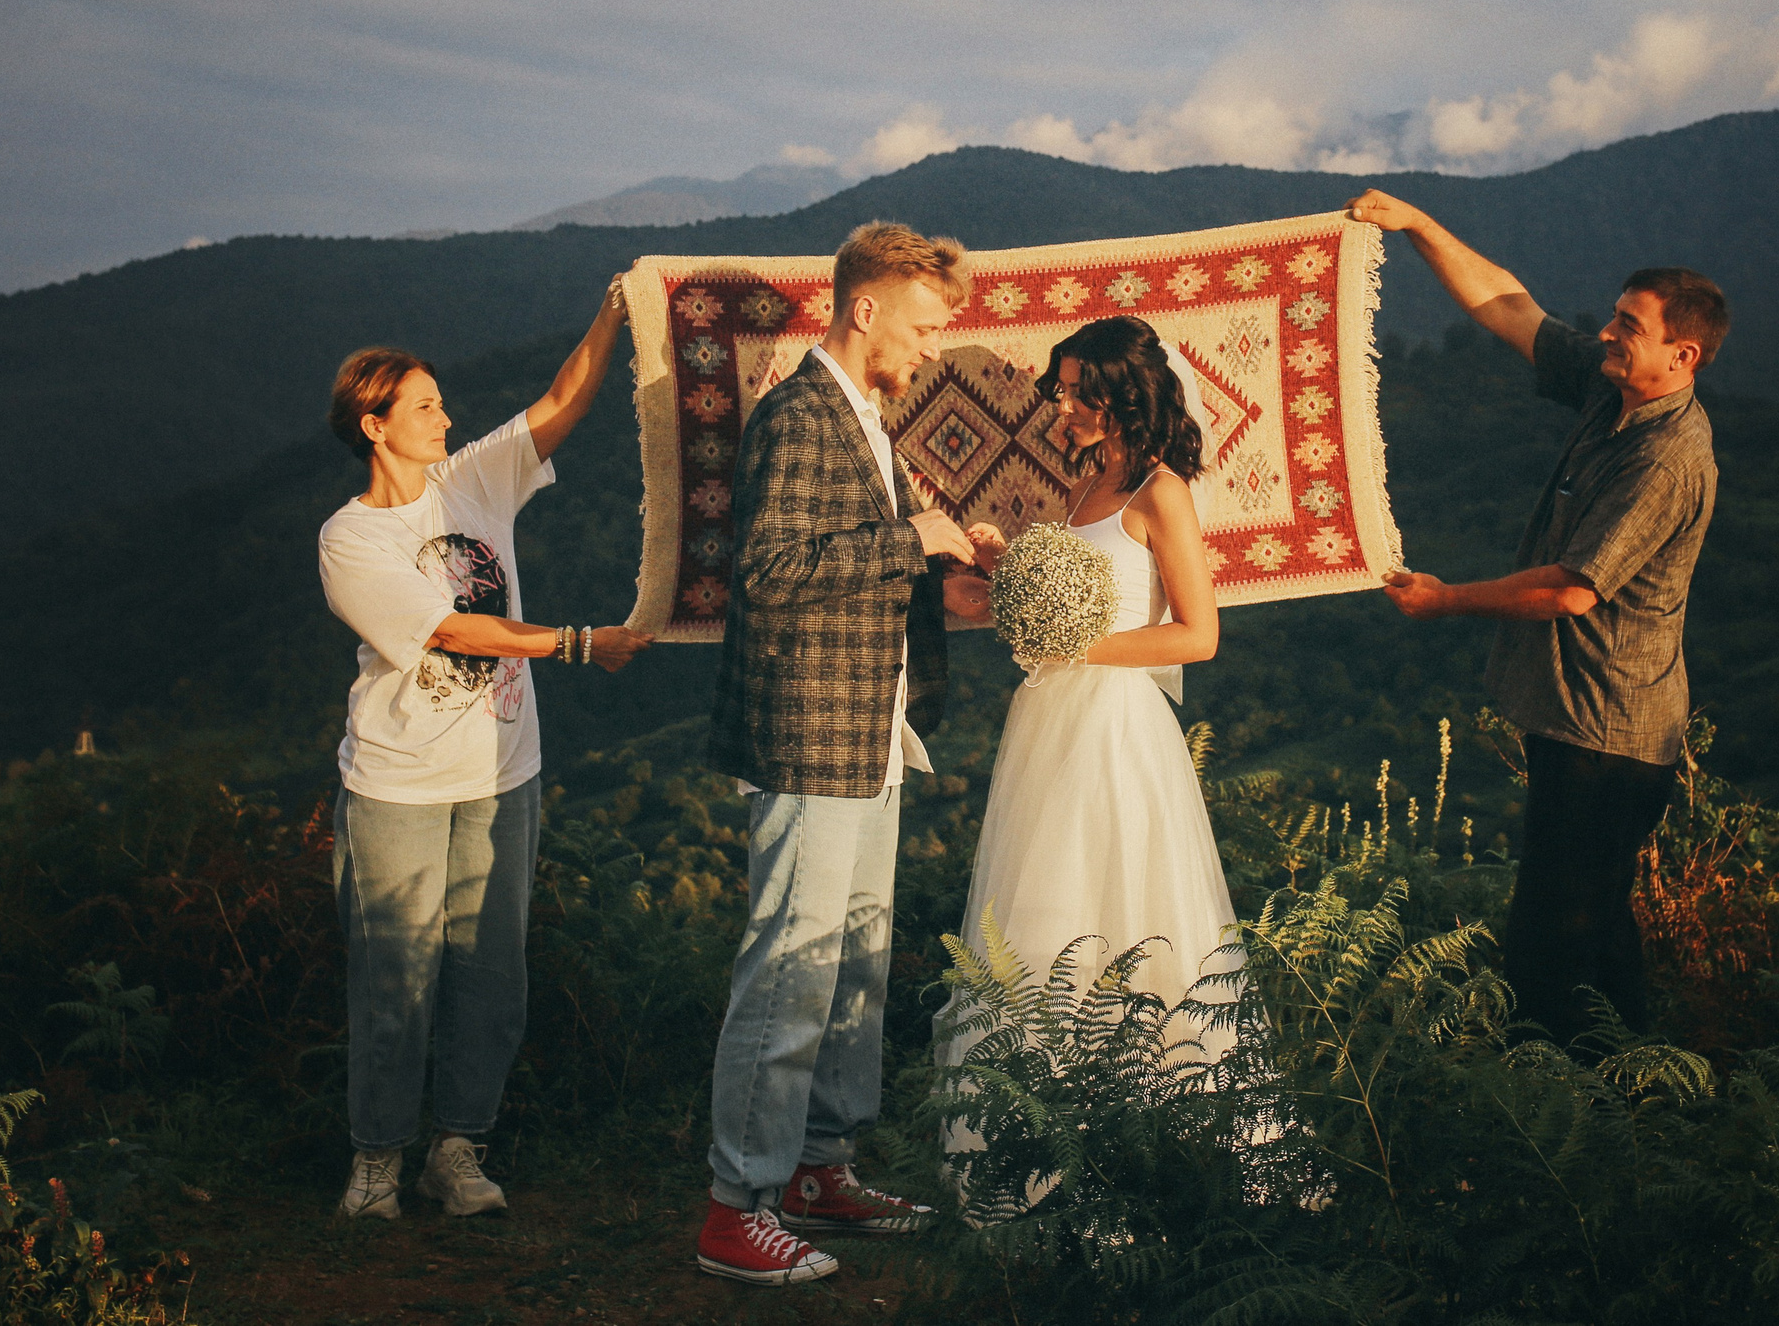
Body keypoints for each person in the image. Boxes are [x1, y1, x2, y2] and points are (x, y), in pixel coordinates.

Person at [1344, 188, 1727, 1049]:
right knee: (1593, 926)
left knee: (1552, 944)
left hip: (1611, 734)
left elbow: (1569, 591)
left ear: (1684, 353)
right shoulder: (1611, 392)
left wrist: (1445, 600)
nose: (1607, 334)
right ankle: (1640, 1094)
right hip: (1581, 719)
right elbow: (1511, 306)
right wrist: (1417, 226)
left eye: (1629, 325)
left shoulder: (1667, 456)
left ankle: (1561, 1111)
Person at [696, 222, 1000, 1287]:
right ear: (864, 307)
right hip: (810, 733)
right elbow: (771, 572)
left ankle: (822, 1164)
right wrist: (918, 541)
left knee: (857, 964)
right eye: (922, 329)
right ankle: (736, 1207)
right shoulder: (799, 416)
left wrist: (947, 584)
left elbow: (853, 569)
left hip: (873, 727)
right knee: (790, 969)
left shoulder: (869, 418)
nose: (929, 352)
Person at [315, 276, 652, 1222]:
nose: (445, 415)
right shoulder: (351, 538)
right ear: (375, 426)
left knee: (492, 972)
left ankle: (457, 1150)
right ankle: (377, 1159)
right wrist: (578, 642)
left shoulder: (473, 478)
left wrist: (615, 317)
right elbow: (451, 631)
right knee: (396, 974)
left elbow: (558, 404)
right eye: (424, 406)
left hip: (504, 777)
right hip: (399, 784)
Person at [938, 316, 1235, 1083]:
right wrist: (1009, 573)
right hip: (1051, 721)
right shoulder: (1087, 482)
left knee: (1117, 903)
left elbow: (1198, 635)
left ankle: (1145, 1100)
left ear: (1124, 397)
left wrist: (1076, 647)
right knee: (1045, 910)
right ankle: (1043, 1106)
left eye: (1078, 395)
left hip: (1116, 731)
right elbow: (1072, 601)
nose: (1060, 408)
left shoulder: (1161, 492)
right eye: (1062, 391)